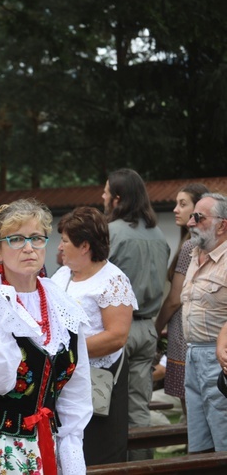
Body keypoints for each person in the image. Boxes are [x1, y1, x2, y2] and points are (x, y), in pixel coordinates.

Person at [0, 198, 91, 474]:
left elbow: (76, 392)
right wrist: (0, 310)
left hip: (43, 443)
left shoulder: (63, 305)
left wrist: (71, 458)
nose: (28, 248)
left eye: (36, 238)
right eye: (16, 239)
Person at [52, 206, 138, 465]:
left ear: (85, 246)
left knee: (97, 453)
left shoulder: (113, 280)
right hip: (63, 377)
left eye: (65, 241)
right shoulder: (62, 274)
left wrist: (68, 352)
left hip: (98, 381)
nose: (59, 247)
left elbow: (116, 337)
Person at [103, 168, 169, 459]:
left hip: (117, 327)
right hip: (147, 329)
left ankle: (111, 465)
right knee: (139, 407)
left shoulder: (111, 232)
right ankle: (143, 467)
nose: (102, 196)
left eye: (106, 191)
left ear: (117, 198)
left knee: (103, 404)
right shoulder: (159, 235)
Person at [154, 183, 209, 417]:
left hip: (184, 333)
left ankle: (195, 452)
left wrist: (156, 327)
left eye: (183, 204)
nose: (176, 209)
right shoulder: (193, 242)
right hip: (192, 331)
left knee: (193, 411)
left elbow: (174, 299)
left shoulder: (190, 246)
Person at [181, 193, 227, 453]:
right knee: (198, 445)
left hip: (218, 358)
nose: (190, 222)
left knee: (224, 439)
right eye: (192, 216)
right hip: (193, 354)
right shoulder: (194, 253)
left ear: (222, 225)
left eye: (199, 217)